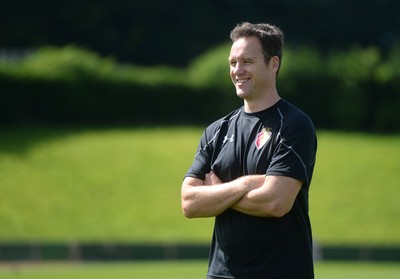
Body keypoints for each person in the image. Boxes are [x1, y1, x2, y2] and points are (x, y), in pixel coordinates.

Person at [181, 22, 317, 279]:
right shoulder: (216, 131)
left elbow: (276, 202)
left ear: (273, 64)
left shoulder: (294, 124)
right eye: (232, 63)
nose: (237, 70)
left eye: (247, 62)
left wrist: (215, 195)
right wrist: (245, 185)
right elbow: (189, 203)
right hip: (222, 273)